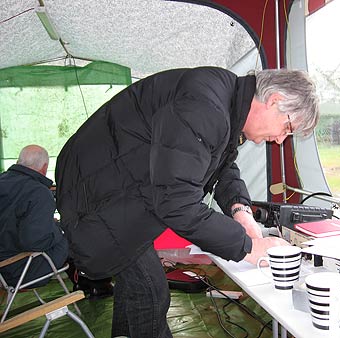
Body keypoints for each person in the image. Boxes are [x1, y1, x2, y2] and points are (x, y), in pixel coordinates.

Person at [55, 67, 320, 338]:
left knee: (140, 285)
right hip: (95, 191)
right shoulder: (205, 106)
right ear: (273, 100)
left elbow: (221, 163)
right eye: (287, 128)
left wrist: (241, 211)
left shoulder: (225, 101)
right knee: (150, 290)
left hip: (118, 186)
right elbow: (176, 202)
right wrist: (249, 248)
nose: (279, 140)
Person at [0, 145, 68, 287]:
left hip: (3, 265)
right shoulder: (39, 192)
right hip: (16, 270)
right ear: (44, 168)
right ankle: (93, 285)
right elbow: (34, 242)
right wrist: (57, 229)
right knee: (71, 236)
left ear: (19, 162)